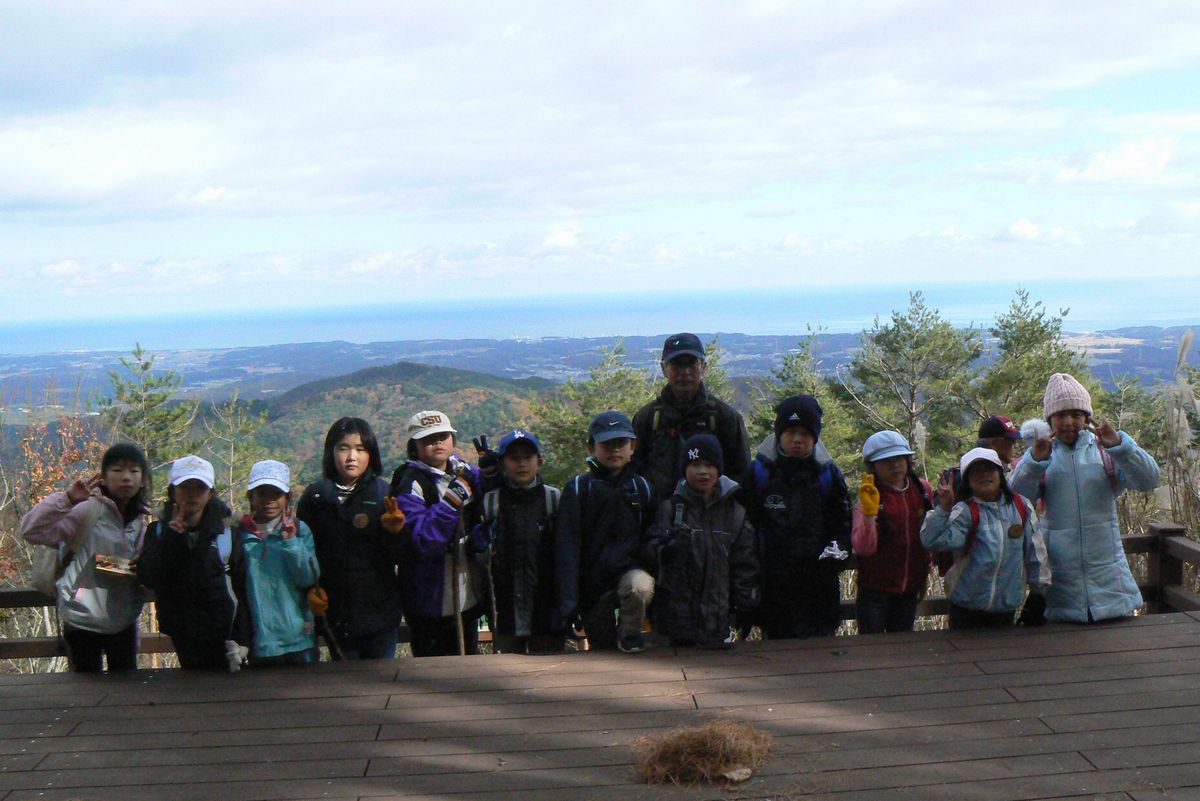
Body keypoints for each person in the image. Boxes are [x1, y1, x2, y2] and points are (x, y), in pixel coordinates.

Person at [1010, 373, 1160, 624]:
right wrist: (1033, 462)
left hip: (1110, 586)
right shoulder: (1041, 456)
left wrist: (1122, 446)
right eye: (1060, 415)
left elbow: (1149, 479)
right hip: (1059, 585)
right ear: (1049, 419)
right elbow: (1016, 499)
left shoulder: (1107, 452)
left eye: (1076, 414)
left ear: (1087, 418)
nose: (1068, 422)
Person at [20, 443, 151, 672]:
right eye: (117, 470)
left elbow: (135, 565)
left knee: (125, 693)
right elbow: (31, 531)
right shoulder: (87, 510)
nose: (126, 478)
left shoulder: (139, 519)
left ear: (143, 479)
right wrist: (68, 498)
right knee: (85, 692)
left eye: (134, 471)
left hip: (122, 619)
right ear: (103, 477)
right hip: (82, 618)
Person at [742, 395, 851, 639]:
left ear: (815, 436)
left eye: (805, 433)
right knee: (778, 648)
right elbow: (746, 525)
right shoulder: (760, 473)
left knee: (819, 650)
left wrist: (837, 557)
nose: (797, 439)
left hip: (818, 583)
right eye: (790, 432)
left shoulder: (827, 475)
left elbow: (842, 525)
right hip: (773, 582)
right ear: (779, 433)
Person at [297, 418, 405, 660]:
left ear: (371, 454)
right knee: (344, 687)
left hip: (379, 614)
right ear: (331, 452)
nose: (351, 457)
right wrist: (308, 592)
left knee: (382, 685)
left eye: (360, 449)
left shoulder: (383, 494)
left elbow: (399, 555)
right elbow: (303, 553)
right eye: (343, 448)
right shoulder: (315, 497)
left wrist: (395, 532)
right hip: (335, 614)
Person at [136, 455, 250, 671]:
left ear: (210, 494)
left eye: (200, 487)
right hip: (181, 633)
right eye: (185, 486)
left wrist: (243, 638)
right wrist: (173, 541)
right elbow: (148, 576)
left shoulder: (227, 533)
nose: (192, 494)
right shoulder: (158, 532)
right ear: (172, 492)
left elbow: (244, 587)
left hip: (224, 635)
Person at [644, 434, 759, 648]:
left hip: (718, 621)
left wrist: (746, 604)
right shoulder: (670, 509)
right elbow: (650, 552)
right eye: (695, 464)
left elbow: (745, 564)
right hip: (673, 624)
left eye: (709, 465)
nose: (703, 471)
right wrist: (665, 550)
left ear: (719, 469)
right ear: (684, 469)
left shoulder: (735, 514)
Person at [554, 411, 655, 653]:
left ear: (633, 447)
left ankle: (630, 635)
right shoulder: (578, 488)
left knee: (640, 586)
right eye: (606, 444)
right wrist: (569, 602)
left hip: (629, 573)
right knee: (603, 650)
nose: (615, 450)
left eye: (621, 443)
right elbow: (567, 547)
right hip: (591, 583)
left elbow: (651, 536)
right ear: (592, 447)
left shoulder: (641, 488)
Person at [391, 410, 488, 656]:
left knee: (468, 661)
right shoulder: (409, 484)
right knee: (432, 666)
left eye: (442, 436)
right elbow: (423, 540)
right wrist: (449, 504)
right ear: (415, 446)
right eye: (428, 439)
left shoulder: (463, 471)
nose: (437, 443)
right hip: (429, 601)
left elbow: (488, 496)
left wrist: (493, 472)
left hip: (466, 593)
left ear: (452, 440)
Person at [922, 448, 1050, 630]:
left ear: (1000, 472)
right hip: (966, 607)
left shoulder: (1022, 507)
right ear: (967, 480)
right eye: (976, 471)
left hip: (1006, 607)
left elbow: (1035, 552)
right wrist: (943, 509)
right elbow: (934, 540)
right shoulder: (964, 511)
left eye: (989, 469)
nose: (984, 476)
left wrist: (1038, 593)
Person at [632, 333, 751, 503]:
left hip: (710, 519)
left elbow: (740, 475)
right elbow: (634, 473)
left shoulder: (724, 417)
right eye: (677, 365)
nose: (685, 372)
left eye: (691, 364)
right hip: (657, 519)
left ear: (704, 366)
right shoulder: (648, 418)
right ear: (664, 369)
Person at [472, 428, 563, 654]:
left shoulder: (554, 499)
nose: (521, 464)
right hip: (505, 610)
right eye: (514, 458)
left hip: (546, 609)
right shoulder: (491, 502)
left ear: (539, 460)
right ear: (502, 463)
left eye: (527, 457)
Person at [234, 460, 319, 666]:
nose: (269, 500)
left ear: (287, 497)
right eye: (262, 493)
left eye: (276, 493)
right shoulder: (238, 535)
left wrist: (290, 542)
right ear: (251, 497)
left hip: (299, 639)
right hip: (259, 641)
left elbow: (309, 578)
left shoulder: (299, 530)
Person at [851, 431, 934, 634]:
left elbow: (930, 531)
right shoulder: (868, 495)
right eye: (886, 461)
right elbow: (863, 548)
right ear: (873, 466)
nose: (895, 465)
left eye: (899, 458)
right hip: (875, 589)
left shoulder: (921, 489)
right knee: (872, 649)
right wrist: (869, 515)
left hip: (911, 586)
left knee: (903, 647)